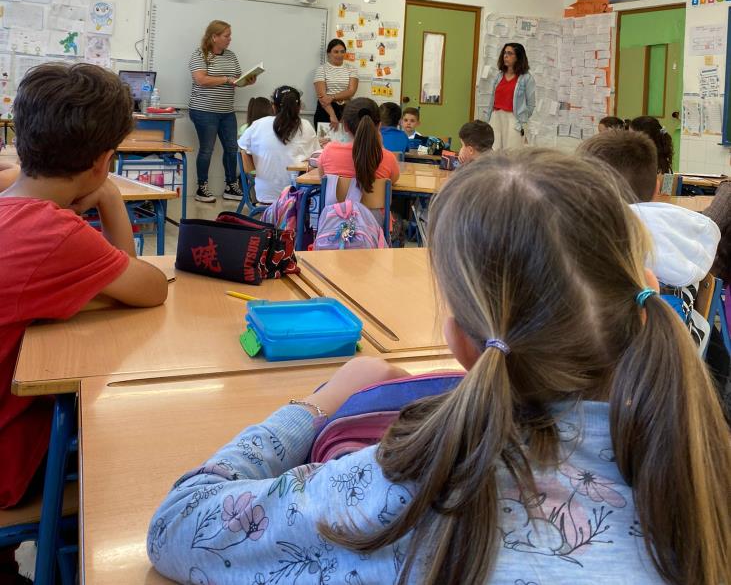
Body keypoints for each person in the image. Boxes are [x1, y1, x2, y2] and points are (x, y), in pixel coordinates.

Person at [148, 148, 731, 585]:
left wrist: (317, 404)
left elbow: (178, 526)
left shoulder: (402, 485)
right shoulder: (702, 471)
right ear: (646, 291)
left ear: (460, 343)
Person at [0, 63, 167, 576]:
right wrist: (111, 198)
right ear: (102, 162)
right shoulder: (56, 234)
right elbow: (150, 288)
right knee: (129, 445)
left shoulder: (11, 203)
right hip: (7, 461)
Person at [578, 129, 718, 348]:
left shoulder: (595, 243)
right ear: (656, 188)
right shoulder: (680, 237)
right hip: (684, 353)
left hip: (621, 360)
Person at [188, 20, 256, 204]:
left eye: (229, 35)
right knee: (207, 149)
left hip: (226, 111)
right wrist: (226, 79)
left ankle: (231, 186)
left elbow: (237, 79)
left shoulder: (231, 56)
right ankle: (202, 188)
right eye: (226, 36)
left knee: (232, 148)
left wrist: (247, 80)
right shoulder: (200, 55)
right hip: (203, 110)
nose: (230, 39)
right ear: (214, 37)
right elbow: (201, 79)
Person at [239, 86, 319, 204]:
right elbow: (316, 157)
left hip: (265, 195)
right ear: (299, 106)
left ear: (273, 106)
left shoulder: (258, 124)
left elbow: (243, 148)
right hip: (297, 198)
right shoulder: (305, 125)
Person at [318, 97, 399, 192]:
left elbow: (322, 179)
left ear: (345, 126)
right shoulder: (388, 157)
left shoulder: (329, 151)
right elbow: (393, 181)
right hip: (372, 202)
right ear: (379, 126)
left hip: (335, 202)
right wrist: (381, 147)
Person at [483, 42, 535, 151]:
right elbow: (492, 100)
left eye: (510, 53)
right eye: (505, 53)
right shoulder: (499, 76)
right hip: (496, 117)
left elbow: (531, 105)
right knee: (494, 151)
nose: (506, 56)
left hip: (514, 119)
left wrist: (522, 121)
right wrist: (488, 120)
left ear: (518, 57)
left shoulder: (526, 78)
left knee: (511, 153)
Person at [313, 39, 359, 132]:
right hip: (326, 110)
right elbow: (322, 96)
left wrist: (332, 97)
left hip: (346, 110)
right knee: (325, 140)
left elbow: (351, 91)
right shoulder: (321, 69)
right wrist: (332, 115)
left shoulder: (352, 69)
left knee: (345, 139)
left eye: (342, 52)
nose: (339, 55)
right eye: (336, 52)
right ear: (329, 53)